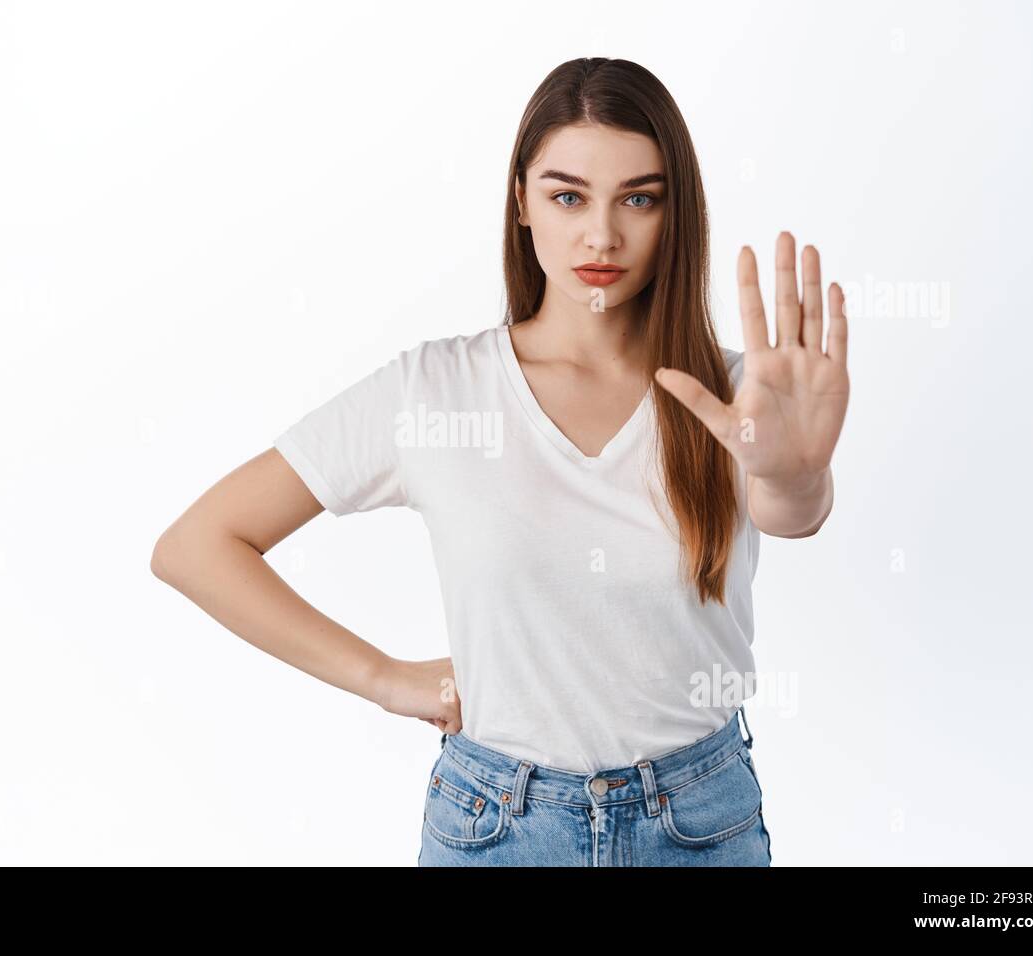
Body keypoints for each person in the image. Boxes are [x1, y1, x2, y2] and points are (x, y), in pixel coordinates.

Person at [150, 57, 849, 866]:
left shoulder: (733, 399)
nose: (602, 235)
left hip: (698, 823)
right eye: (568, 196)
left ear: (675, 210)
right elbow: (197, 546)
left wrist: (794, 474)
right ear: (521, 201)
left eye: (639, 198)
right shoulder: (436, 391)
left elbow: (791, 512)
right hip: (497, 829)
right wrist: (384, 678)